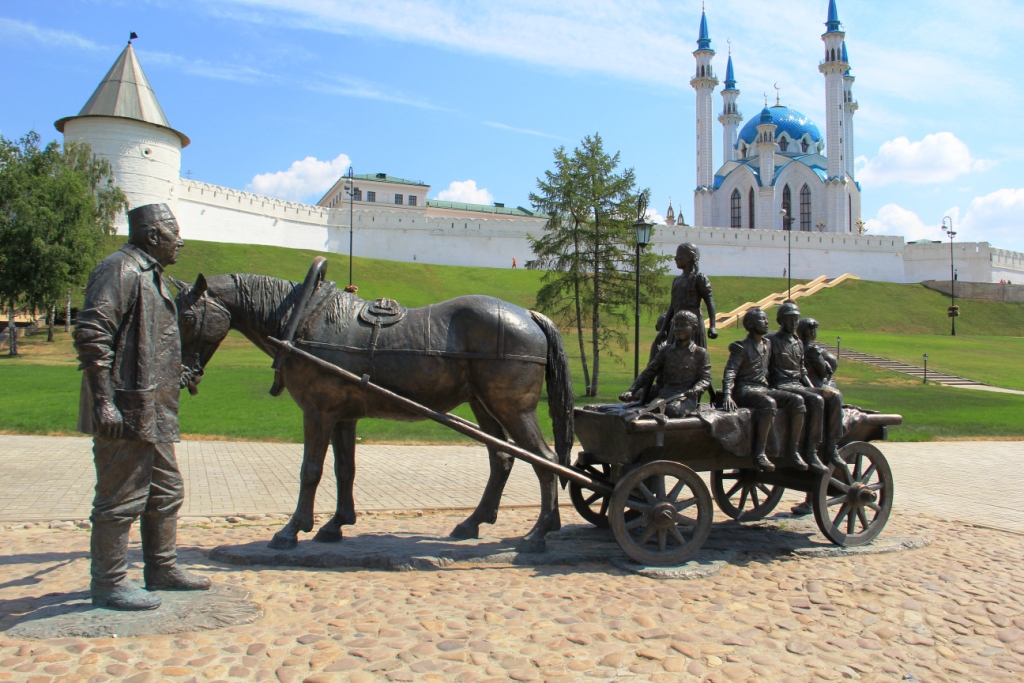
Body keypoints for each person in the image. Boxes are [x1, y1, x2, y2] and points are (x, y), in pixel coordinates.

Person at [74, 203, 211, 611]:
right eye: (174, 234)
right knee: (120, 499)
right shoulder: (121, 270)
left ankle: (161, 567)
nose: (180, 242)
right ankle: (109, 582)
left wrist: (180, 374)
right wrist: (104, 401)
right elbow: (92, 335)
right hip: (126, 409)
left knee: (167, 492)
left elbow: (152, 343)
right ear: (153, 236)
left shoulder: (153, 277)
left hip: (157, 411)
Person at [721, 307, 805, 472]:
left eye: (767, 319)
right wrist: (727, 394)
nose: (767, 322)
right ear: (750, 324)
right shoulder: (742, 347)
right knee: (768, 403)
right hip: (745, 390)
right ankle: (759, 453)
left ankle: (793, 450)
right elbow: (730, 371)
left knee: (797, 400)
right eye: (762, 319)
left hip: (763, 388)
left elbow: (784, 341)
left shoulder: (768, 343)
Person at [766, 303, 839, 475]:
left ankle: (831, 446)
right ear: (779, 321)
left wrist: (813, 388)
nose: (793, 323)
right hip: (780, 385)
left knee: (834, 396)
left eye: (796, 319)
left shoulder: (797, 342)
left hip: (797, 385)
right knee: (816, 400)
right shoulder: (771, 341)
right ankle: (807, 450)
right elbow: (763, 367)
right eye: (789, 319)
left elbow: (802, 372)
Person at [620, 310, 711, 417]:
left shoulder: (700, 353)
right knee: (652, 409)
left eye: (683, 325)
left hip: (685, 397)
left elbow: (706, 379)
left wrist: (696, 389)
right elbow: (649, 371)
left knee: (673, 410)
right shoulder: (666, 351)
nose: (678, 329)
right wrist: (631, 390)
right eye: (676, 325)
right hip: (665, 394)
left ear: (694, 328)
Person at [651, 243, 718, 359]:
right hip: (676, 325)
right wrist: (663, 330)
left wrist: (713, 326)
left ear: (690, 257)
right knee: (673, 358)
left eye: (679, 255)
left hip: (693, 325)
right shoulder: (676, 280)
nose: (676, 259)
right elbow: (672, 307)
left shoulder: (699, 279)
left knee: (693, 358)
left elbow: (710, 302)